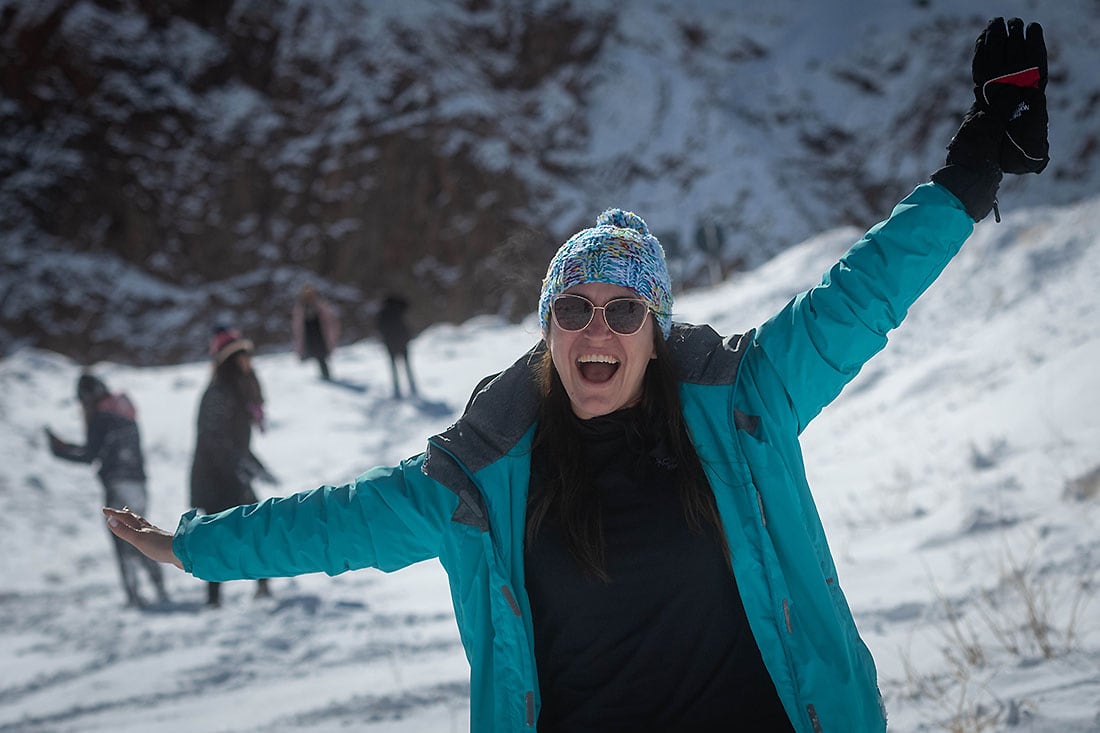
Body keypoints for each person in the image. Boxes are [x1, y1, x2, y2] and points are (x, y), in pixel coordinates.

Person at [104, 17, 1049, 731]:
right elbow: (332, 521)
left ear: (654, 330)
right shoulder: (478, 478)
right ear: (548, 326)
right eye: (573, 307)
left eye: (624, 309)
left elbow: (859, 296)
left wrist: (973, 172)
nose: (598, 326)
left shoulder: (743, 406)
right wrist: (198, 547)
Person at [46, 373, 168, 608]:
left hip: (117, 485)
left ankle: (134, 596)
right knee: (143, 534)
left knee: (123, 538)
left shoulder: (100, 417)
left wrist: (59, 450)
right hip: (139, 485)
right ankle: (160, 586)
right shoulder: (123, 411)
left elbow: (90, 455)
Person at [188, 326, 278, 607]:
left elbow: (237, 441)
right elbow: (211, 438)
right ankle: (214, 599)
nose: (247, 360)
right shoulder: (218, 393)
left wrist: (252, 464)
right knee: (218, 537)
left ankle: (261, 586)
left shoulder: (240, 388)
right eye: (240, 355)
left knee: (254, 527)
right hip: (214, 478)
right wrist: (241, 464)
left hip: (233, 475)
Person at [292, 283, 340, 381]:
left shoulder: (320, 305)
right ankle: (323, 374)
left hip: (320, 335)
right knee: (316, 356)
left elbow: (330, 321)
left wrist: (332, 334)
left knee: (321, 355)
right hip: (310, 336)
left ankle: (326, 375)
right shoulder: (301, 308)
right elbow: (298, 325)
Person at [376, 293, 419, 398]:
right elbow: (407, 305)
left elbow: (379, 328)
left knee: (393, 366)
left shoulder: (382, 313)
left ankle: (397, 387)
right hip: (402, 342)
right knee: (407, 365)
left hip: (390, 343)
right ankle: (411, 385)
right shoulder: (398, 310)